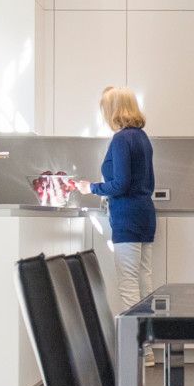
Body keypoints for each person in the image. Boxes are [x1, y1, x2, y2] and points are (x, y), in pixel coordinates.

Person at [80, 86, 157, 314]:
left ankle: (134, 346)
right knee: (144, 280)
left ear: (113, 110)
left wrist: (91, 188)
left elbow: (121, 184)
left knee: (128, 282)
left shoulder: (121, 139)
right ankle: (147, 346)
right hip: (145, 214)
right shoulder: (142, 138)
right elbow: (148, 182)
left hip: (127, 217)